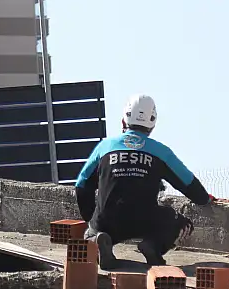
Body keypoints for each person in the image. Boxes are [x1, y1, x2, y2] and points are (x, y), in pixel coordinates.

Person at [74, 94, 213, 270]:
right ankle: (153, 246)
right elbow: (189, 184)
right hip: (145, 219)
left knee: (92, 232)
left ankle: (97, 239)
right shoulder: (161, 152)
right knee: (183, 224)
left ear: (124, 120)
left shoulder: (105, 147)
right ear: (152, 124)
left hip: (108, 221)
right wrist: (205, 199)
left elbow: (81, 186)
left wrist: (91, 219)